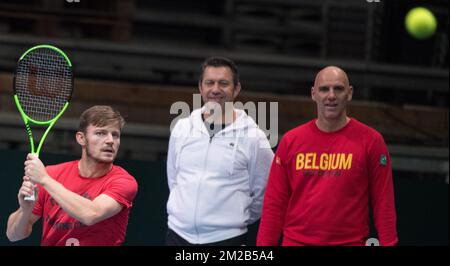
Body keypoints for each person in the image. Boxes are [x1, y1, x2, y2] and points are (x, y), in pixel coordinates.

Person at [257, 66, 398, 246]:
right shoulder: (291, 141)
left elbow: (383, 203)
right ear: (313, 94)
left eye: (338, 89)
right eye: (324, 89)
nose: (331, 95)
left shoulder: (371, 141)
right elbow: (274, 205)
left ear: (349, 93)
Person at [166, 56, 274, 245]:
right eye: (210, 83)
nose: (215, 89)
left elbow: (265, 192)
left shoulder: (254, 137)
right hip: (177, 235)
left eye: (223, 83)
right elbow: (174, 179)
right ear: (201, 87)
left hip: (227, 239)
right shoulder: (182, 128)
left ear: (236, 89)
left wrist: (235, 221)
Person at [6, 105, 138, 246]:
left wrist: (44, 179)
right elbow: (13, 235)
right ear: (81, 138)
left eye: (115, 134)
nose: (110, 140)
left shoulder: (124, 182)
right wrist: (25, 211)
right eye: (100, 133)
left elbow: (91, 214)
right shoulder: (52, 174)